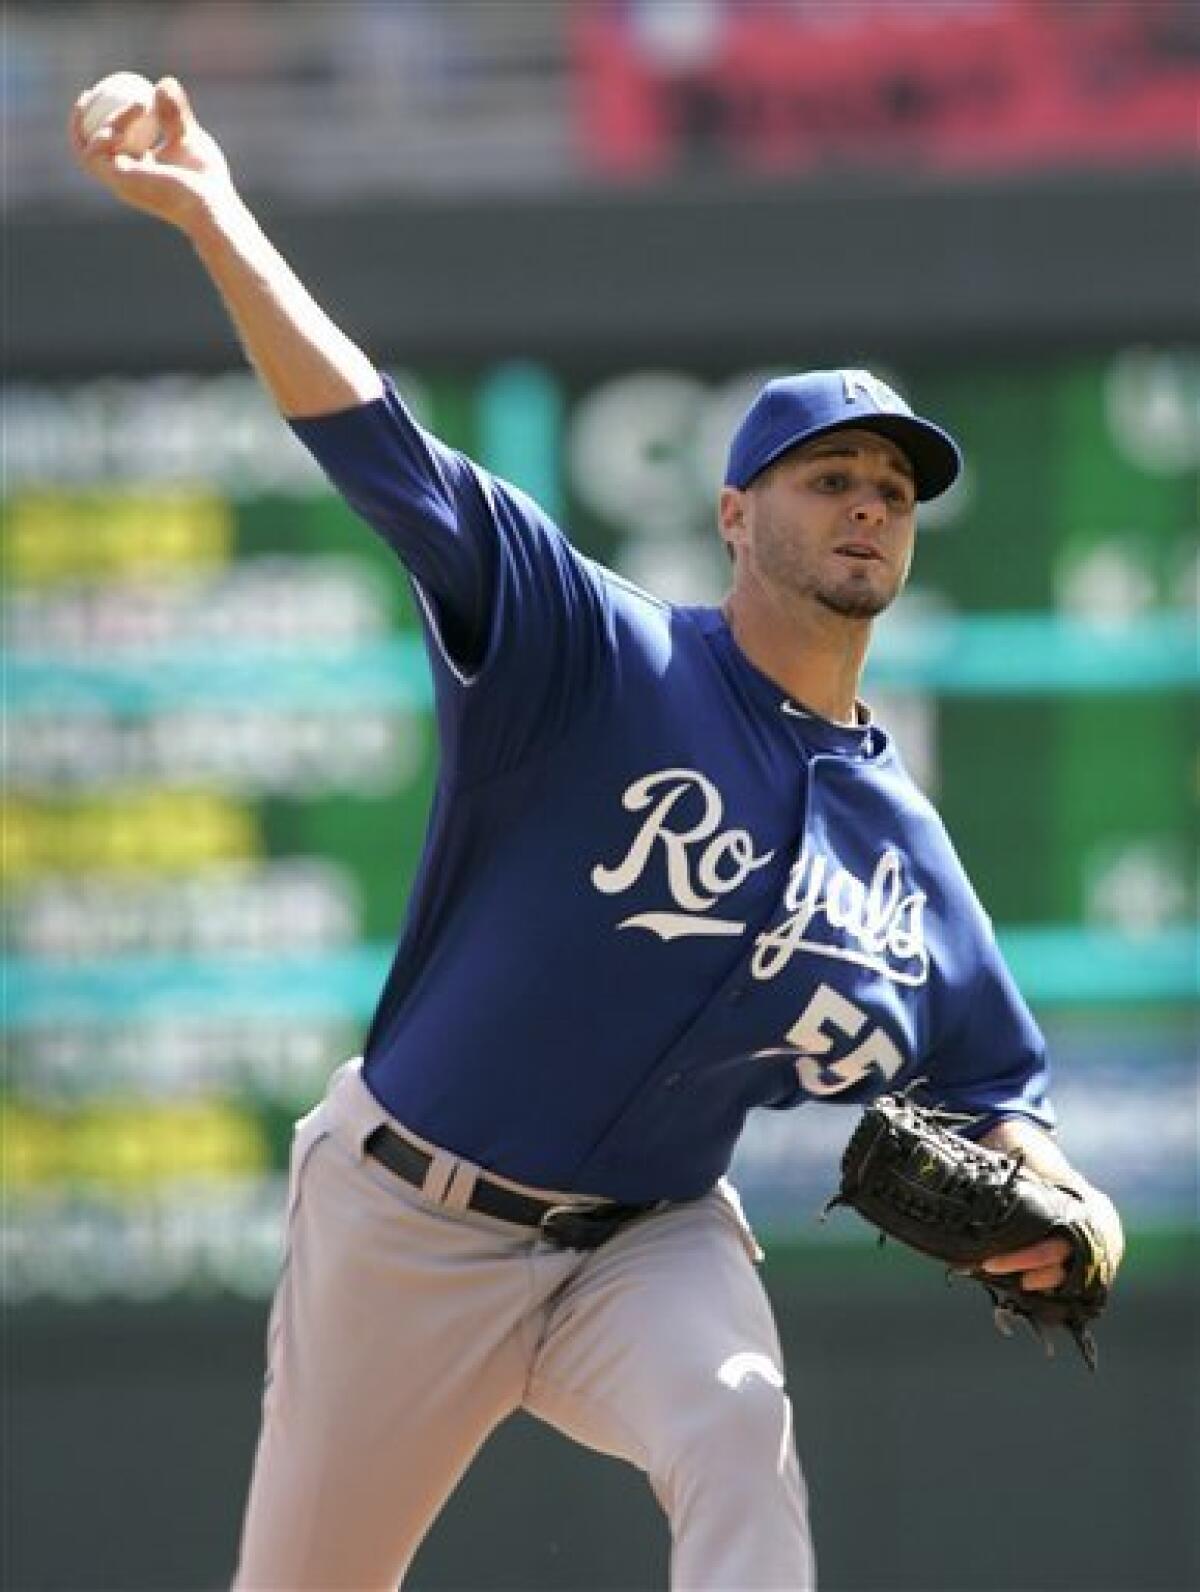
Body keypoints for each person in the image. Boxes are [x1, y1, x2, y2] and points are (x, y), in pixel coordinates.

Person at [71, 78, 1124, 1592]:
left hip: (651, 1239)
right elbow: (375, 439)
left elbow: (990, 1078)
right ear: (732, 513)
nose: (869, 507)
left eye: (892, 490)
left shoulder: (902, 846)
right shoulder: (595, 650)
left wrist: (1049, 1191)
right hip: (407, 1223)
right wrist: (215, 212)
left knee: (741, 1438)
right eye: (829, 477)